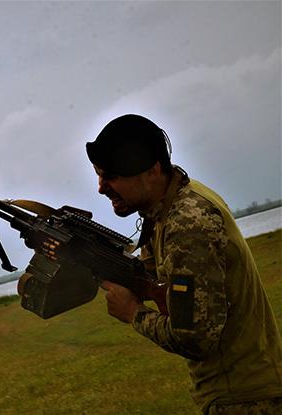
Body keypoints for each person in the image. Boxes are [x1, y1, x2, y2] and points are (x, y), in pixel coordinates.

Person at [85, 114, 282, 414]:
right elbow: (158, 279)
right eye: (99, 174)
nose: (101, 187)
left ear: (152, 170)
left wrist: (133, 313)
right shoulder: (170, 206)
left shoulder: (187, 222)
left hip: (245, 399)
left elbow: (196, 339)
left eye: (111, 176)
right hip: (240, 392)